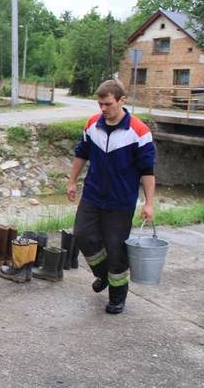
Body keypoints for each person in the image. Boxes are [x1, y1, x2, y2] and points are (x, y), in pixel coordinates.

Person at [66, 79, 156, 315]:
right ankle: (102, 274)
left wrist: (149, 203)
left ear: (121, 100)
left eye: (107, 104)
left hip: (120, 202)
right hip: (93, 195)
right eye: (100, 104)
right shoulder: (92, 125)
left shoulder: (139, 132)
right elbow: (81, 154)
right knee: (83, 236)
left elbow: (148, 171)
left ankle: (117, 297)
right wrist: (72, 181)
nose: (103, 109)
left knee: (116, 251)